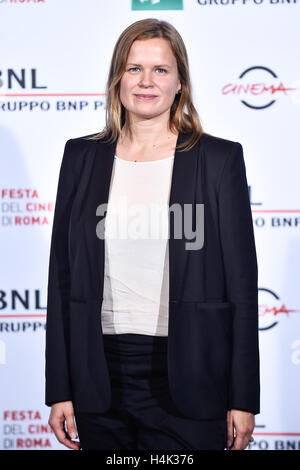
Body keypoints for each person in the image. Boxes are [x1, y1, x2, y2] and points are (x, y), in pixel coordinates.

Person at [45, 18, 260, 451]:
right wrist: (60, 387)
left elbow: (241, 286)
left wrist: (243, 397)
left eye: (160, 70)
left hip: (193, 376)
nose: (146, 82)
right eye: (133, 68)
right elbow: (61, 277)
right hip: (98, 376)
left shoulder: (218, 160)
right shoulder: (80, 157)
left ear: (180, 81)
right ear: (117, 79)